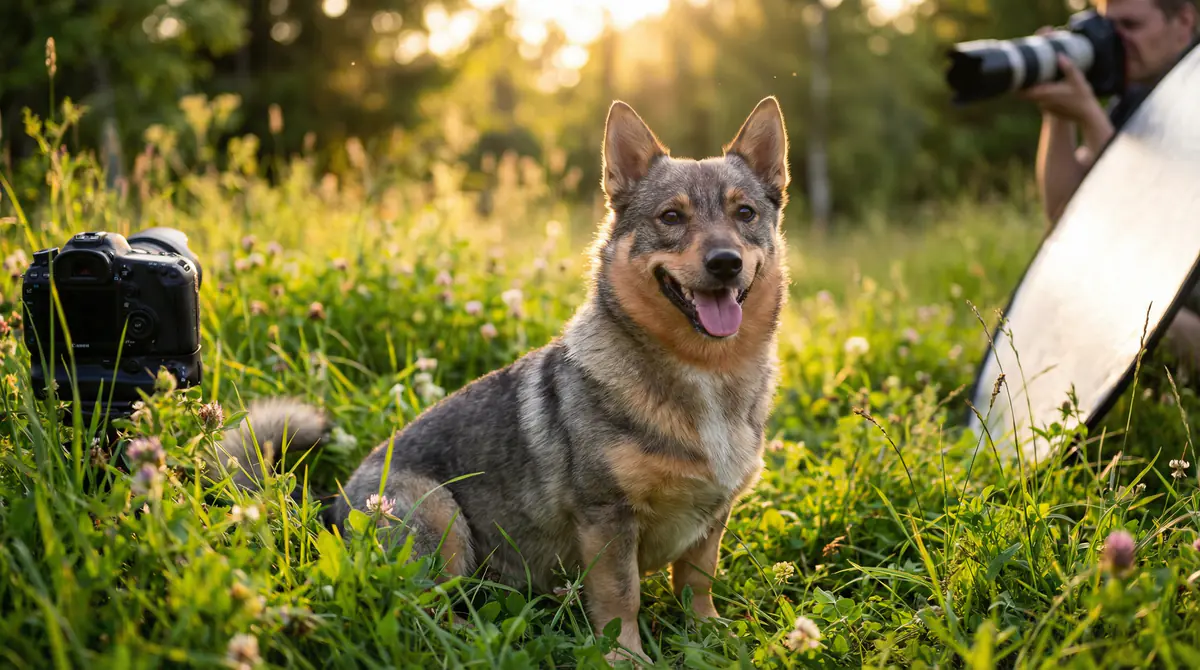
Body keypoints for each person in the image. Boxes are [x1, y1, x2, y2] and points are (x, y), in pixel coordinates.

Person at [1021, 0, 1200, 373]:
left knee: (1127, 312)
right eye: (1108, 26)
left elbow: (1170, 221)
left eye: (1130, 26)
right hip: (1173, 303)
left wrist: (1090, 115)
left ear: (1184, 21)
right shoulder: (1137, 100)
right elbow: (1064, 213)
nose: (1114, 41)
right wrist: (1059, 115)